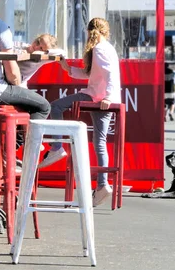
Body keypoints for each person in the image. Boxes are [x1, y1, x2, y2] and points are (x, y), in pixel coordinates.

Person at [39, 17, 121, 207]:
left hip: (97, 97)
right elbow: (93, 74)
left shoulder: (99, 49)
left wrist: (107, 97)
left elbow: (109, 75)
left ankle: (57, 147)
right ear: (106, 31)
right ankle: (102, 185)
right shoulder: (106, 48)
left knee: (55, 106)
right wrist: (68, 68)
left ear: (89, 31)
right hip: (103, 98)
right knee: (99, 142)